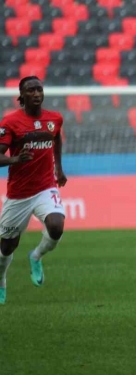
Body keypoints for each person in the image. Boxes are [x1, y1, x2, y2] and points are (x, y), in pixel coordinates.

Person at [0, 76, 67, 305]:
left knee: (57, 226)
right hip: (18, 195)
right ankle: (1, 280)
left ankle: (36, 255)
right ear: (22, 96)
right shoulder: (10, 122)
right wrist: (16, 159)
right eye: (31, 90)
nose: (36, 93)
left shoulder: (54, 119)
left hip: (45, 187)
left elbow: (55, 139)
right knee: (7, 246)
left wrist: (58, 168)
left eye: (39, 89)